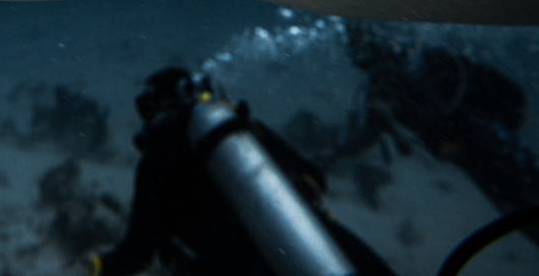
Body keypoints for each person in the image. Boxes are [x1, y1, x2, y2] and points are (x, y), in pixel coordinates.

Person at [90, 67, 394, 276]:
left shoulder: (159, 154)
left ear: (157, 105)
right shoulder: (239, 128)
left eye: (147, 108)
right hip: (328, 246)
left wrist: (100, 267)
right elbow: (313, 177)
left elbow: (141, 247)